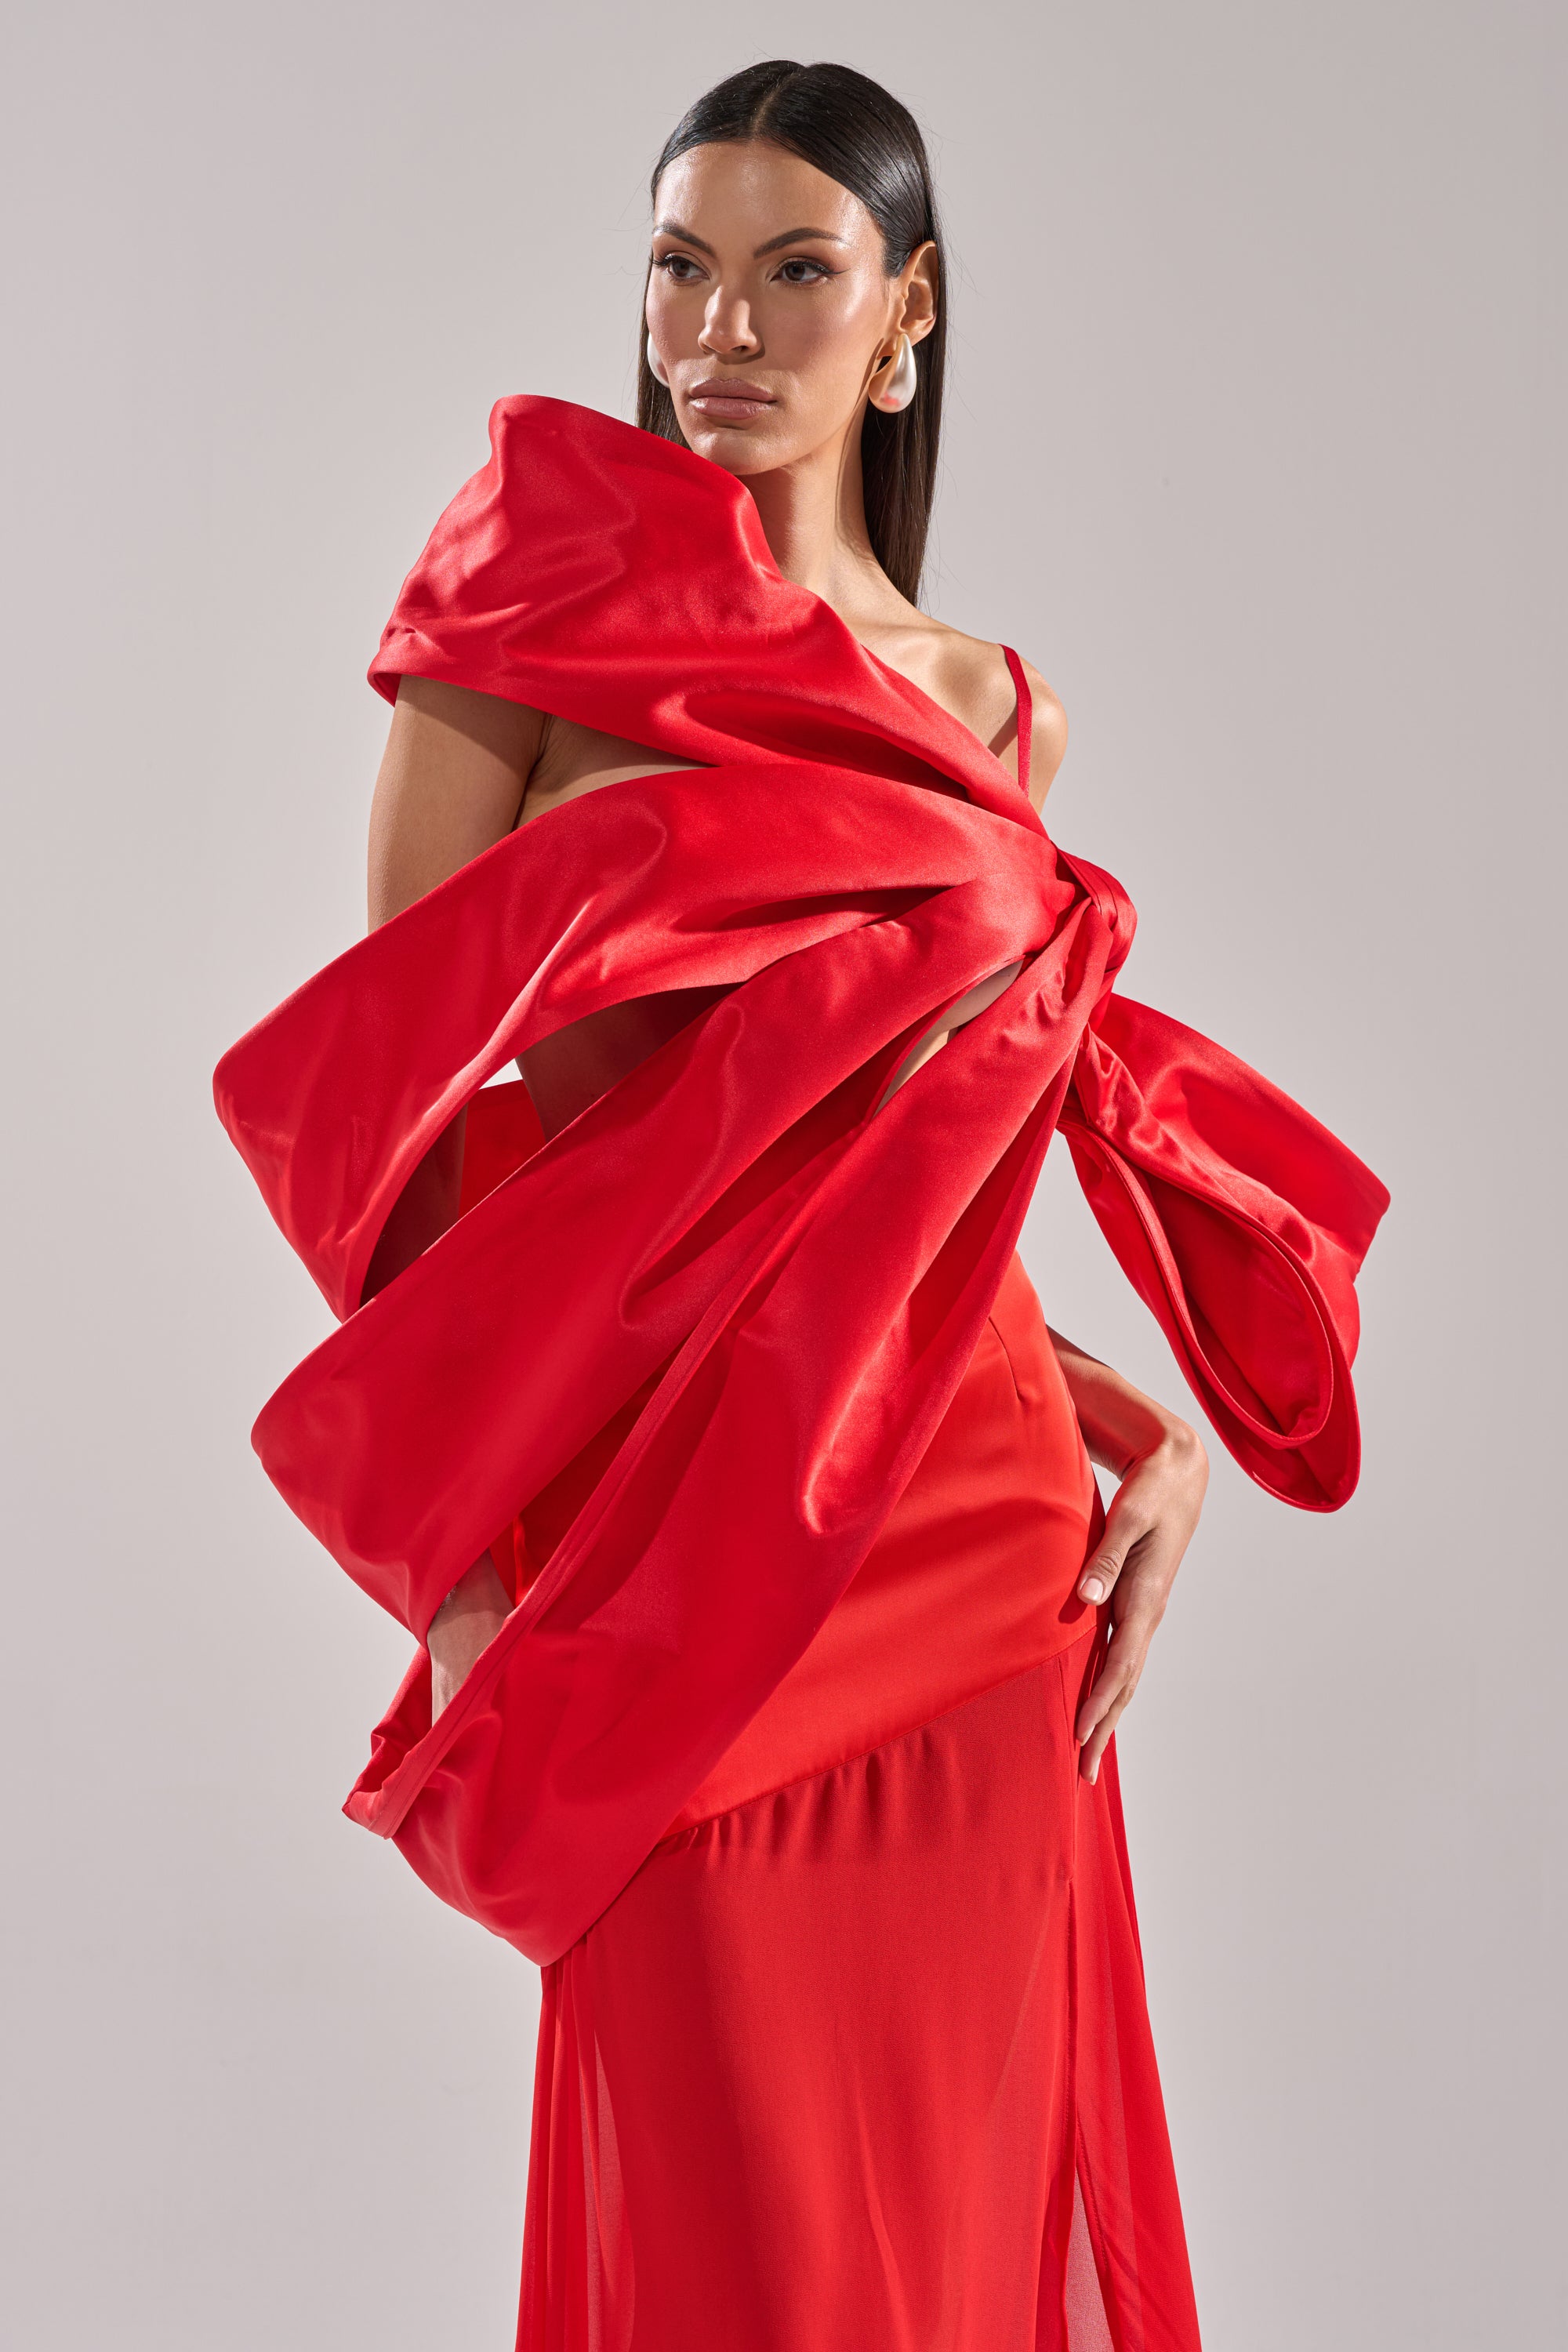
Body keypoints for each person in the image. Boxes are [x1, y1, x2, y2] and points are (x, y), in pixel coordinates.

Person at [214, 60, 1388, 2352]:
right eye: (680, 266)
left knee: (952, 2232)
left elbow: (905, 1206)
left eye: (793, 271)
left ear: (907, 309)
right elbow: (390, 1148)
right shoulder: (532, 619)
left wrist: (1139, 1437)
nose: (719, 331)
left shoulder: (1004, 720)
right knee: (734, 2243)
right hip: (681, 1592)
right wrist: (462, 1583)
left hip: (977, 1580)